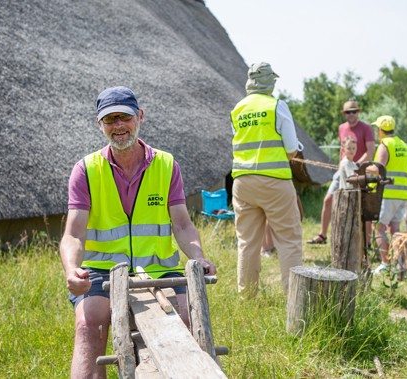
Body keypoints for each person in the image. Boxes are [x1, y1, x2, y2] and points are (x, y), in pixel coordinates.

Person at [59, 86, 217, 379]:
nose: (118, 126)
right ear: (100, 124)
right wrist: (71, 270)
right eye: (110, 119)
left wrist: (199, 256)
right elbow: (73, 234)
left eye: (125, 117)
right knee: (88, 325)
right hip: (102, 271)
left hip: (158, 271)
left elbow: (182, 225)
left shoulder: (167, 165)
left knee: (183, 318)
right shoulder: (85, 170)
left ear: (140, 117)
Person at [230, 62, 303, 298]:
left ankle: (246, 298)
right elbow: (292, 148)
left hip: (242, 182)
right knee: (288, 241)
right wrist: (295, 150)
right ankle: (293, 299)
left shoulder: (238, 109)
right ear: (270, 81)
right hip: (275, 181)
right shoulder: (276, 106)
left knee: (248, 243)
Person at [307, 100, 375, 244]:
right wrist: (341, 166)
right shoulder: (342, 128)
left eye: (354, 111)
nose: (351, 114)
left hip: (358, 171)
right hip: (342, 169)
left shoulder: (366, 128)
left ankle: (367, 242)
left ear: (358, 112)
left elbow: (370, 151)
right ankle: (322, 235)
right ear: (344, 114)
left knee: (363, 206)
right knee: (328, 199)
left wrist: (357, 165)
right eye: (348, 112)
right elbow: (341, 149)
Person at [368, 115, 407, 274]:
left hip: (388, 193)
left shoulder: (385, 145)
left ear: (380, 130)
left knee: (378, 228)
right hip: (403, 193)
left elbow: (378, 168)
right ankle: (399, 263)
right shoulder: (403, 145)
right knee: (395, 229)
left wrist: (361, 168)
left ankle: (386, 264)